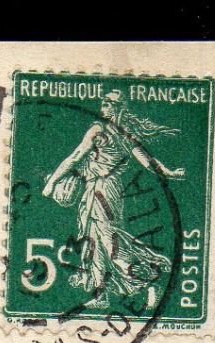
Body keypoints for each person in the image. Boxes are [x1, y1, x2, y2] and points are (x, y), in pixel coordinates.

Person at [42, 89, 184, 311]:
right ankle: (101, 295)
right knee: (93, 241)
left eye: (109, 103)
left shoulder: (101, 131)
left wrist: (52, 182)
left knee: (108, 243)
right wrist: (168, 172)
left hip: (102, 190)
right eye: (104, 102)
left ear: (119, 108)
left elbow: (76, 156)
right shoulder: (123, 134)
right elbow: (148, 161)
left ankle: (148, 279)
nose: (104, 106)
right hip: (103, 190)